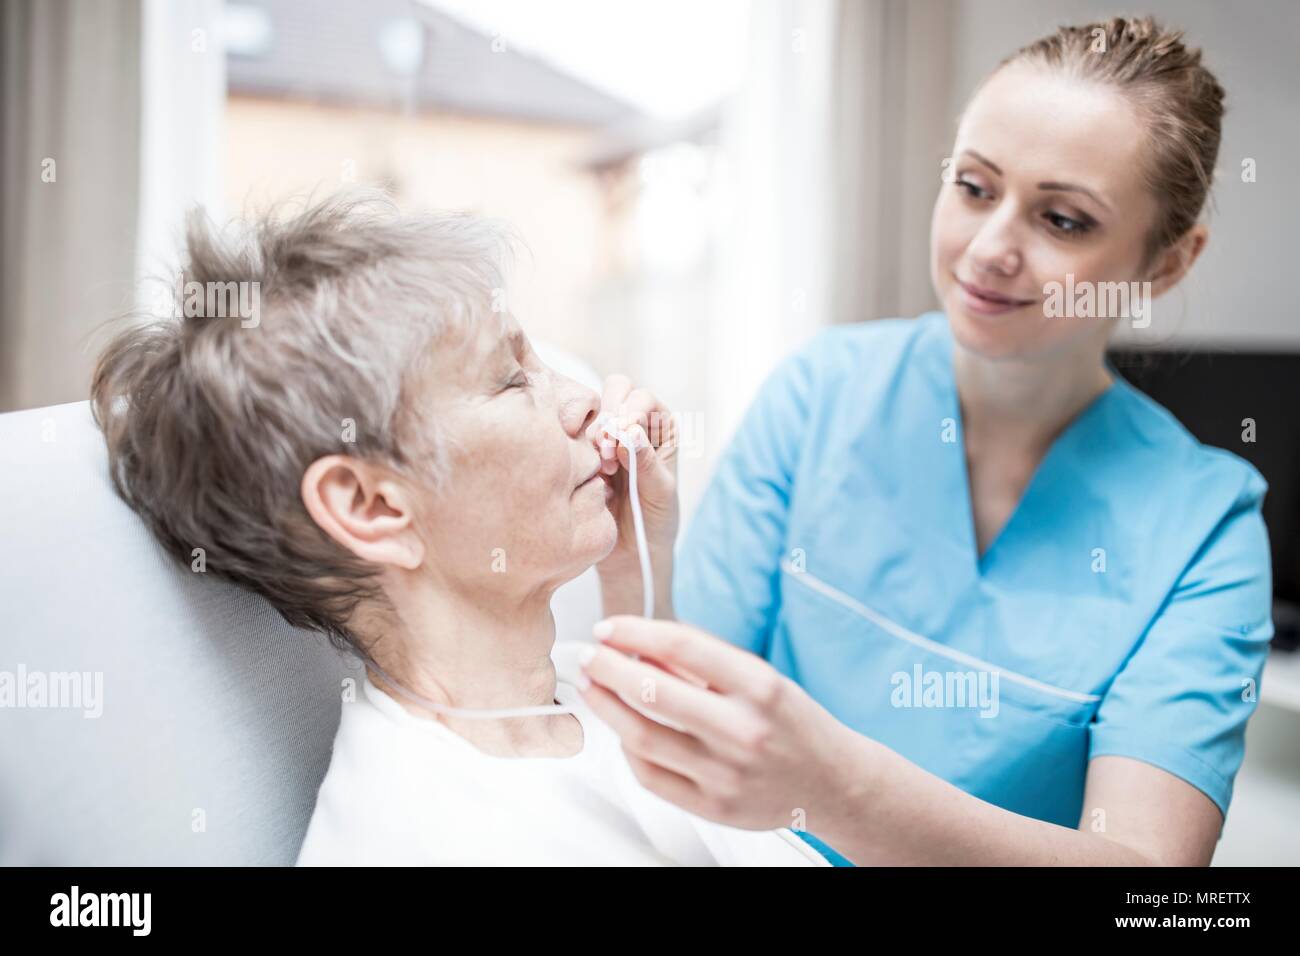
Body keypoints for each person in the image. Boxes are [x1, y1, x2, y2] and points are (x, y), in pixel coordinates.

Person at [577, 16, 1274, 866]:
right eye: (974, 187)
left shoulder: (1206, 531)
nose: (990, 248)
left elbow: (1150, 886)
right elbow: (685, 722)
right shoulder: (820, 395)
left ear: (1166, 264)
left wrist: (839, 791)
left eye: (1062, 219)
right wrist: (637, 561)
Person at [91, 194, 823, 866]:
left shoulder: (583, 692)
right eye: (512, 379)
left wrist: (638, 567)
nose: (584, 399)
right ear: (371, 507)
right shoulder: (412, 838)